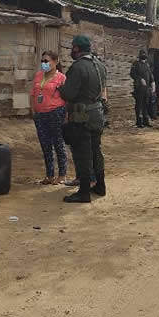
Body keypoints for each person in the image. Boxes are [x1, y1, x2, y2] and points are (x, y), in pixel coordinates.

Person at [58, 35, 107, 203]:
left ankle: (84, 192)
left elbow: (69, 94)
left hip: (82, 116)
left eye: (72, 48)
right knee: (96, 151)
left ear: (77, 48)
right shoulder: (99, 64)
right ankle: (100, 186)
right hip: (97, 113)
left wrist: (61, 89)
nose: (71, 51)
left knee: (82, 153)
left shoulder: (78, 67)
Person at [30, 50, 69, 185]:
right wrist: (33, 111)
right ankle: (49, 175)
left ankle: (62, 174)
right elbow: (33, 94)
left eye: (46, 61)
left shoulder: (61, 78)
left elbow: (67, 98)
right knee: (45, 145)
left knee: (58, 143)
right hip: (40, 115)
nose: (44, 64)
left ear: (55, 62)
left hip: (56, 113)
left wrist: (66, 115)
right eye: (42, 61)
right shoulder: (38, 75)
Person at [130, 49, 152, 128]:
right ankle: (139, 122)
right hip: (138, 88)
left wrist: (153, 82)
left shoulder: (147, 65)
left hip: (146, 88)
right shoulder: (136, 64)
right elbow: (132, 74)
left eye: (144, 55)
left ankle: (146, 121)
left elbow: (150, 75)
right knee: (139, 105)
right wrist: (140, 79)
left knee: (145, 104)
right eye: (142, 55)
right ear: (139, 56)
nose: (143, 56)